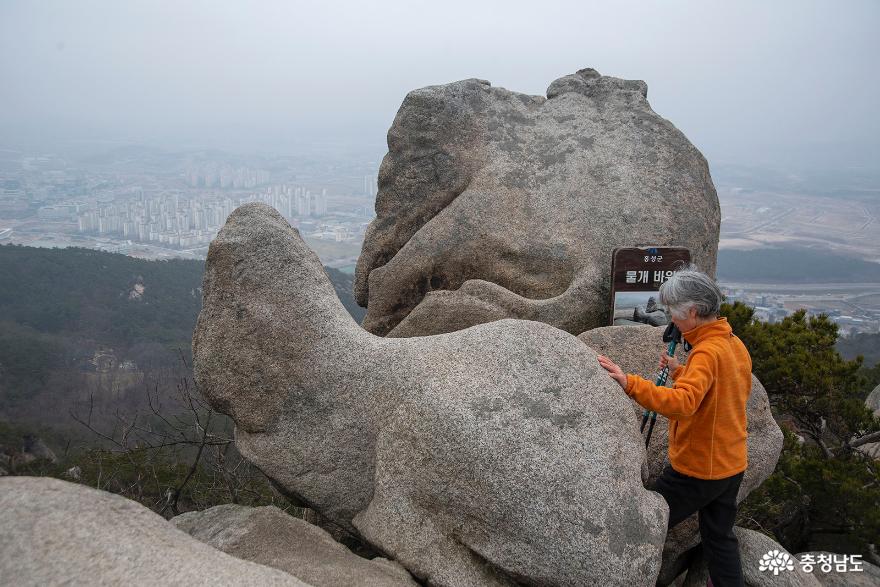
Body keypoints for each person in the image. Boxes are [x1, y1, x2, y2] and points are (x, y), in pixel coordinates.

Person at [597, 265, 751, 587]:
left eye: (673, 312)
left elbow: (683, 404)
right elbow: (720, 392)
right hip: (731, 465)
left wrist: (630, 383)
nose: (671, 320)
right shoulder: (733, 344)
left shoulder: (706, 353)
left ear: (693, 311)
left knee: (644, 525)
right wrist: (682, 371)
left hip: (698, 471)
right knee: (719, 538)